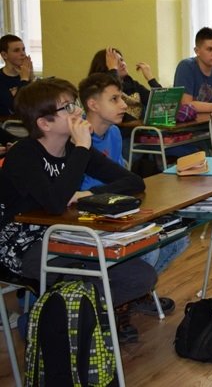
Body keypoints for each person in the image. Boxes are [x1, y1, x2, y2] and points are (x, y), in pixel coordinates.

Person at [0, 78, 157, 343]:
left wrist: (88, 193)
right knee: (96, 283)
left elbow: (133, 182)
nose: (77, 111)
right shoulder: (24, 154)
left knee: (141, 276)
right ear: (45, 123)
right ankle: (50, 323)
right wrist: (83, 147)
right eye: (67, 107)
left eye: (75, 104)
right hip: (22, 246)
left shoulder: (72, 150)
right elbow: (54, 203)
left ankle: (53, 319)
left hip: (64, 234)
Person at [78, 73, 185, 315]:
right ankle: (116, 304)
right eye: (114, 99)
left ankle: (134, 293)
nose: (124, 105)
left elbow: (125, 181)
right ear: (93, 104)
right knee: (149, 246)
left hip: (116, 206)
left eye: (121, 98)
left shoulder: (114, 133)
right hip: (88, 215)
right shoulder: (78, 138)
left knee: (178, 235)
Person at [88, 46, 162, 121]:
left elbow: (162, 104)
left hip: (140, 127)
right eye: (116, 62)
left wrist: (151, 78)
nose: (122, 64)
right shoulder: (100, 87)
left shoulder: (132, 84)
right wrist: (113, 70)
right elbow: (114, 91)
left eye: (122, 60)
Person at [173, 27, 212, 113]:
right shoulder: (185, 67)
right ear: (197, 51)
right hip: (189, 120)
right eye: (210, 49)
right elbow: (186, 105)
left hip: (210, 119)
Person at [0, 35, 34, 116]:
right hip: (9, 122)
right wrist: (24, 79)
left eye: (23, 49)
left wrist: (31, 78)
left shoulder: (27, 74)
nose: (22, 54)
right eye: (16, 50)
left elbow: (36, 104)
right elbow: (15, 108)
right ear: (4, 55)